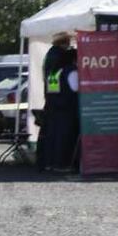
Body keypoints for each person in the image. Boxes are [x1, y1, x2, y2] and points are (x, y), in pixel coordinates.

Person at [42, 47, 80, 172]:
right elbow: (75, 89)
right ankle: (63, 165)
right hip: (67, 110)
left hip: (53, 109)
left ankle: (50, 163)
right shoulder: (71, 71)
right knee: (65, 138)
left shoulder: (54, 72)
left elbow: (52, 92)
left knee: (53, 137)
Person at [39, 32, 72, 169]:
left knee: (52, 134)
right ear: (64, 42)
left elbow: (51, 82)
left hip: (52, 100)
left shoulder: (50, 56)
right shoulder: (61, 57)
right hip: (62, 104)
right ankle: (59, 162)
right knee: (61, 135)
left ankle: (49, 162)